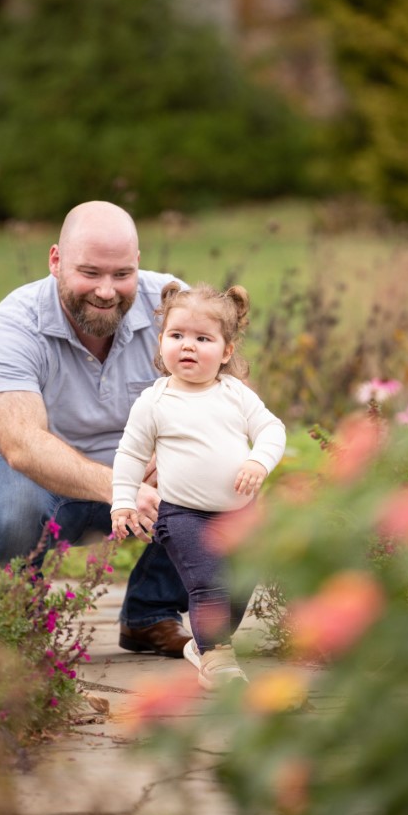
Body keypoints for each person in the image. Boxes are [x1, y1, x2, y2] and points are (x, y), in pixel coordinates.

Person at [0, 200, 192, 658]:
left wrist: (179, 454)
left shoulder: (173, 306)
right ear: (55, 261)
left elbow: (222, 400)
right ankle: (16, 629)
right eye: (90, 272)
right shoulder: (14, 324)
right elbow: (22, 445)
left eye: (121, 274)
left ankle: (152, 615)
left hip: (137, 478)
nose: (107, 291)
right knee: (14, 508)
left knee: (226, 482)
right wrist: (121, 486)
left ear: (138, 264)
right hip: (33, 479)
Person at [111, 281, 286, 689]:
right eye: (177, 336)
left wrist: (259, 460)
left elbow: (271, 429)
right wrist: (123, 501)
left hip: (240, 511)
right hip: (184, 513)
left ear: (226, 351)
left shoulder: (235, 395)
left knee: (240, 583)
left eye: (202, 338)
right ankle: (216, 656)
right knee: (208, 580)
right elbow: (131, 455)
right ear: (161, 343)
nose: (187, 346)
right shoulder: (154, 402)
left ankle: (209, 643)